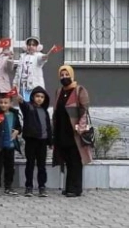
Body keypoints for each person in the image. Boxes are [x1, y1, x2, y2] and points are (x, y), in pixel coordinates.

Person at [53, 65, 92, 197]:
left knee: (76, 160)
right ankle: (68, 187)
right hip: (62, 131)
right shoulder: (59, 91)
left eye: (66, 75)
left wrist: (80, 126)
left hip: (75, 132)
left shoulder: (79, 90)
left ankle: (76, 189)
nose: (64, 77)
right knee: (68, 161)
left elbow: (84, 109)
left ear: (72, 75)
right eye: (62, 75)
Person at [16, 86, 52, 197]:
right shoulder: (29, 108)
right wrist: (19, 98)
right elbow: (23, 103)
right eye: (37, 96)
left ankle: (42, 186)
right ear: (33, 97)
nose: (39, 99)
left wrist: (50, 141)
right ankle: (29, 187)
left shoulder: (45, 112)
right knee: (30, 164)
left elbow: (48, 128)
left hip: (42, 142)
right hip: (31, 141)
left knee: (42, 165)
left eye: (42, 97)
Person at [0, 95, 21, 197]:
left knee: (10, 168)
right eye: (1, 102)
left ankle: (8, 187)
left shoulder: (14, 114)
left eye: (6, 103)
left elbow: (18, 127)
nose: (3, 105)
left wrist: (17, 131)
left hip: (10, 146)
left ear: (11, 104)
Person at [15, 36, 51, 102]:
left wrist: (44, 57)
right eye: (29, 45)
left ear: (37, 47)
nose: (31, 46)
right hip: (23, 87)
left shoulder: (38, 55)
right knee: (25, 105)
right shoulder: (22, 56)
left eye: (33, 45)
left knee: (34, 105)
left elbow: (41, 59)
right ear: (26, 46)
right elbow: (18, 72)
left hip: (35, 87)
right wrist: (15, 84)